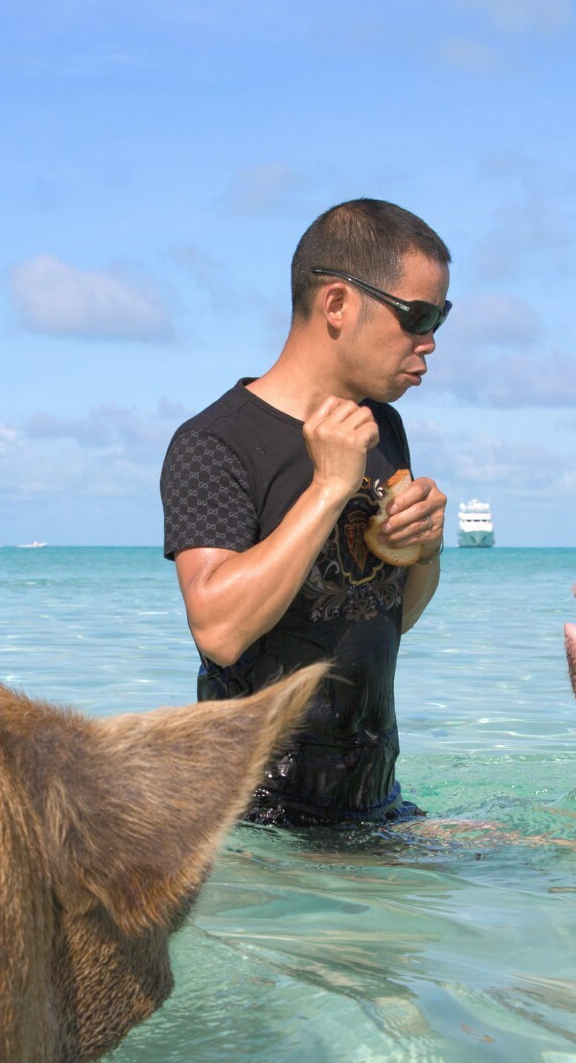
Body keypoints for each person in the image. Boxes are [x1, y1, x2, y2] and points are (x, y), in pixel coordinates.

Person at [159, 198, 450, 826]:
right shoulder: (213, 442)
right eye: (417, 315)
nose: (428, 341)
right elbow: (218, 629)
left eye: (440, 317)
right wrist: (326, 490)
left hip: (371, 801)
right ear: (338, 304)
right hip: (253, 817)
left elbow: (390, 618)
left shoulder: (383, 427)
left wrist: (424, 547)